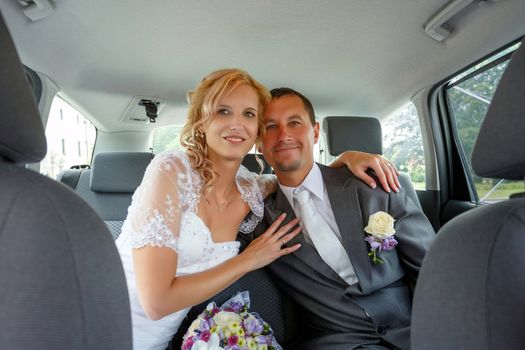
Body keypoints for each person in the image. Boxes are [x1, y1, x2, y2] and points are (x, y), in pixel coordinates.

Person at [115, 69, 399, 350]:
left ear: (257, 133)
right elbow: (156, 303)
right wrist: (249, 260)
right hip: (104, 320)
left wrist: (344, 159)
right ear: (201, 121)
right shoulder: (171, 171)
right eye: (223, 111)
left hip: (158, 340)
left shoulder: (250, 189)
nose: (237, 124)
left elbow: (295, 175)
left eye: (249, 114)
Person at [239, 87, 435, 350]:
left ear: (316, 132)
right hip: (339, 342)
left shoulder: (374, 187)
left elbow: (431, 267)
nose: (284, 135)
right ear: (259, 143)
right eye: (270, 126)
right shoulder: (257, 219)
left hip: (416, 327)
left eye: (294, 123)